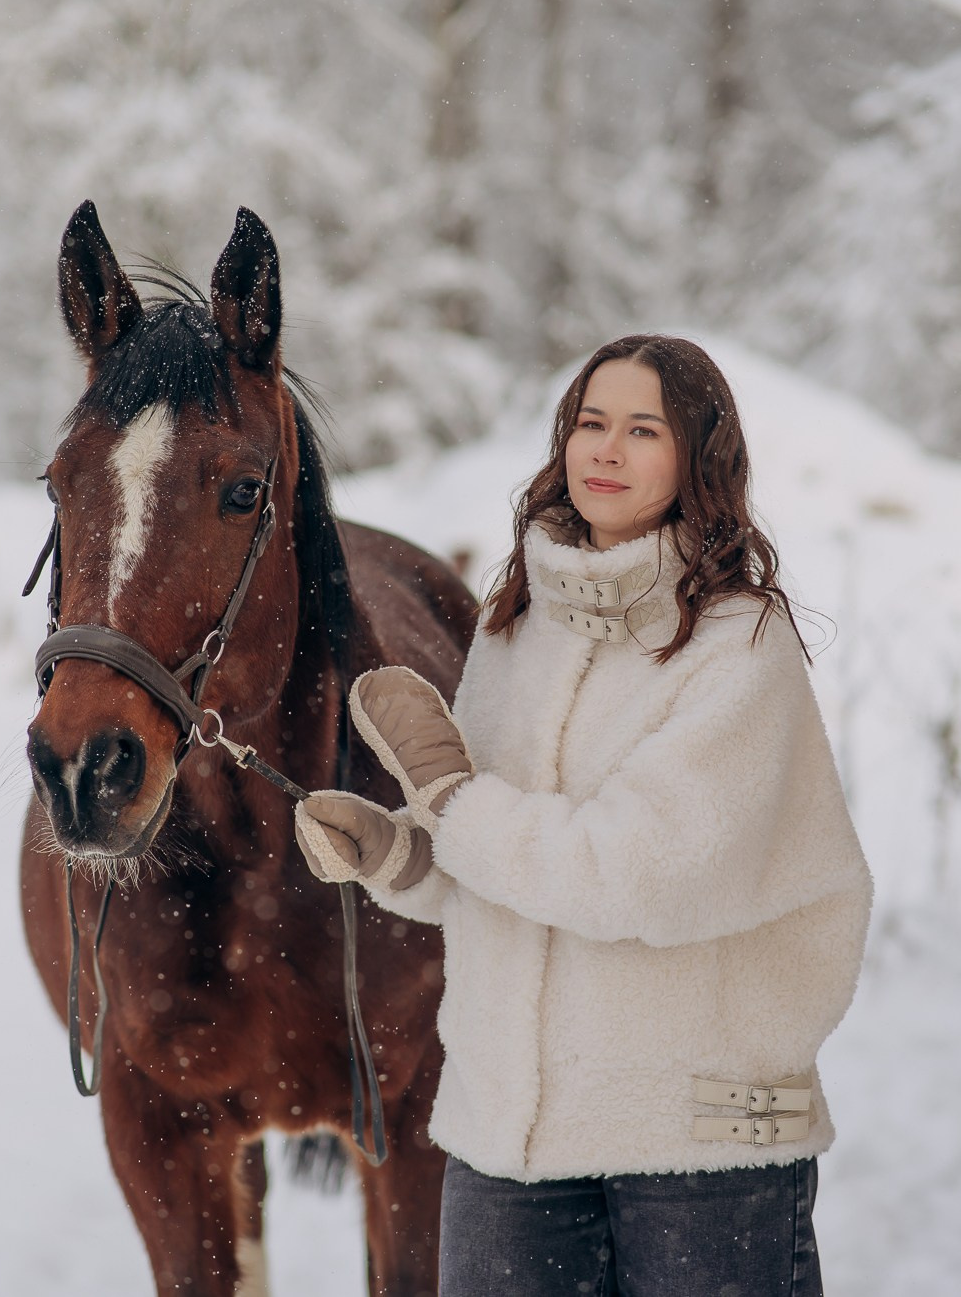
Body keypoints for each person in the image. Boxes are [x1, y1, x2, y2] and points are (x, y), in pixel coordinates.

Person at [294, 334, 872, 1297]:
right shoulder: (518, 625)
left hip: (697, 1145)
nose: (606, 450)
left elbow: (638, 870)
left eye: (643, 429)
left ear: (700, 458)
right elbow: (498, 867)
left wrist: (449, 792)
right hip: (509, 1139)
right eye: (590, 423)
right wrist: (397, 852)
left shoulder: (739, 645)